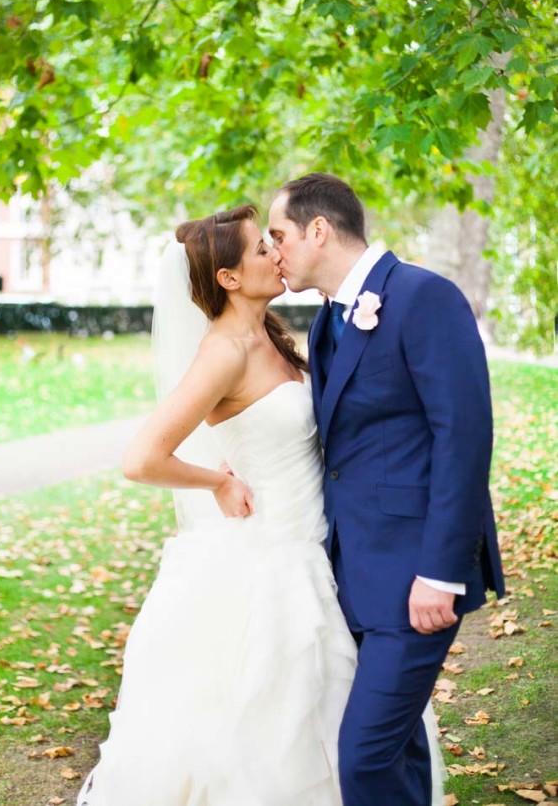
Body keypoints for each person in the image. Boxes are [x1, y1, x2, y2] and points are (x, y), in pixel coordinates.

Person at [75, 204, 443, 806]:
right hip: (270, 558)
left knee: (351, 717)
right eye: (261, 249)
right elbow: (142, 458)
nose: (277, 254)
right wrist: (216, 483)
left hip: (318, 545)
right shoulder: (223, 352)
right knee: (273, 724)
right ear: (228, 278)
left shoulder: (272, 335)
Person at [268, 173, 505, 806]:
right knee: (397, 748)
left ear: (319, 230)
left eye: (279, 235)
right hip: (351, 572)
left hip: (414, 576)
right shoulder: (325, 323)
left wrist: (442, 572)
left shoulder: (425, 296)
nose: (275, 251)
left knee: (365, 757)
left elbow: (463, 438)